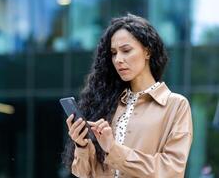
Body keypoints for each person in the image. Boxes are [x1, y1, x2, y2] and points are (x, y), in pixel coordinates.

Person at [62, 14, 193, 178]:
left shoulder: (175, 105)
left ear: (147, 51)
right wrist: (81, 145)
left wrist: (113, 149)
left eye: (126, 50)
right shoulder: (108, 103)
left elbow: (171, 171)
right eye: (114, 53)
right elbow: (83, 173)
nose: (118, 59)